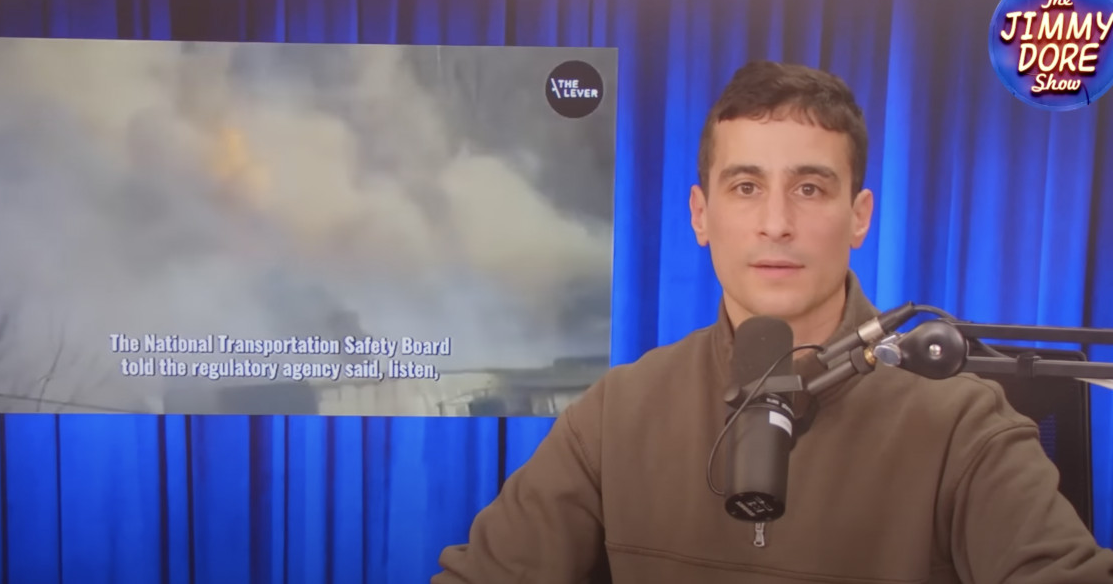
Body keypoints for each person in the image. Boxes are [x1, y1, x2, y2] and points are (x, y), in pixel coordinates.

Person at [431, 60, 1113, 583]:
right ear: (701, 214)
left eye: (809, 187)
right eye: (746, 186)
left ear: (859, 217)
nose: (776, 222)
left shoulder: (964, 422)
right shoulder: (617, 412)